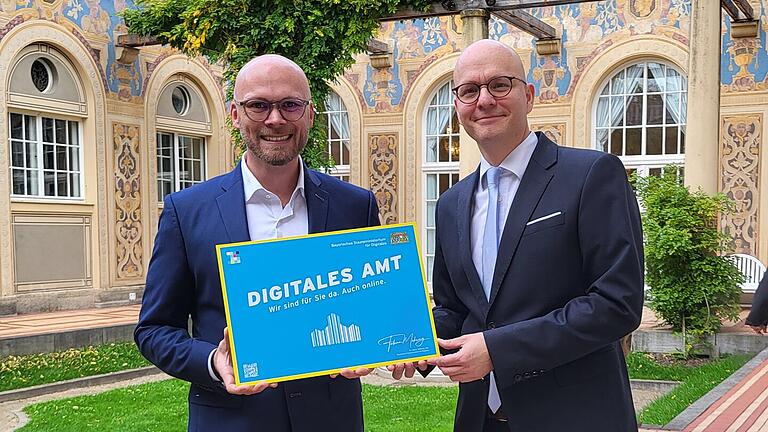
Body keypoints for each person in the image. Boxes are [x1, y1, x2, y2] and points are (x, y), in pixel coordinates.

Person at [135, 54, 380, 432]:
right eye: (258, 106)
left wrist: (372, 345)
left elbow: (371, 310)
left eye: (290, 105)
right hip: (229, 421)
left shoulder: (354, 205)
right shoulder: (186, 212)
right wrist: (214, 362)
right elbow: (154, 330)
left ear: (310, 115)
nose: (275, 119)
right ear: (235, 114)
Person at [419, 39, 645, 431]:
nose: (484, 100)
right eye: (469, 90)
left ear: (529, 96)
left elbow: (617, 304)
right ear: (457, 106)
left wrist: (497, 350)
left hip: (575, 416)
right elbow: (456, 310)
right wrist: (412, 341)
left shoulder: (591, 175)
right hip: (480, 419)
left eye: (499, 85)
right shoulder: (451, 203)